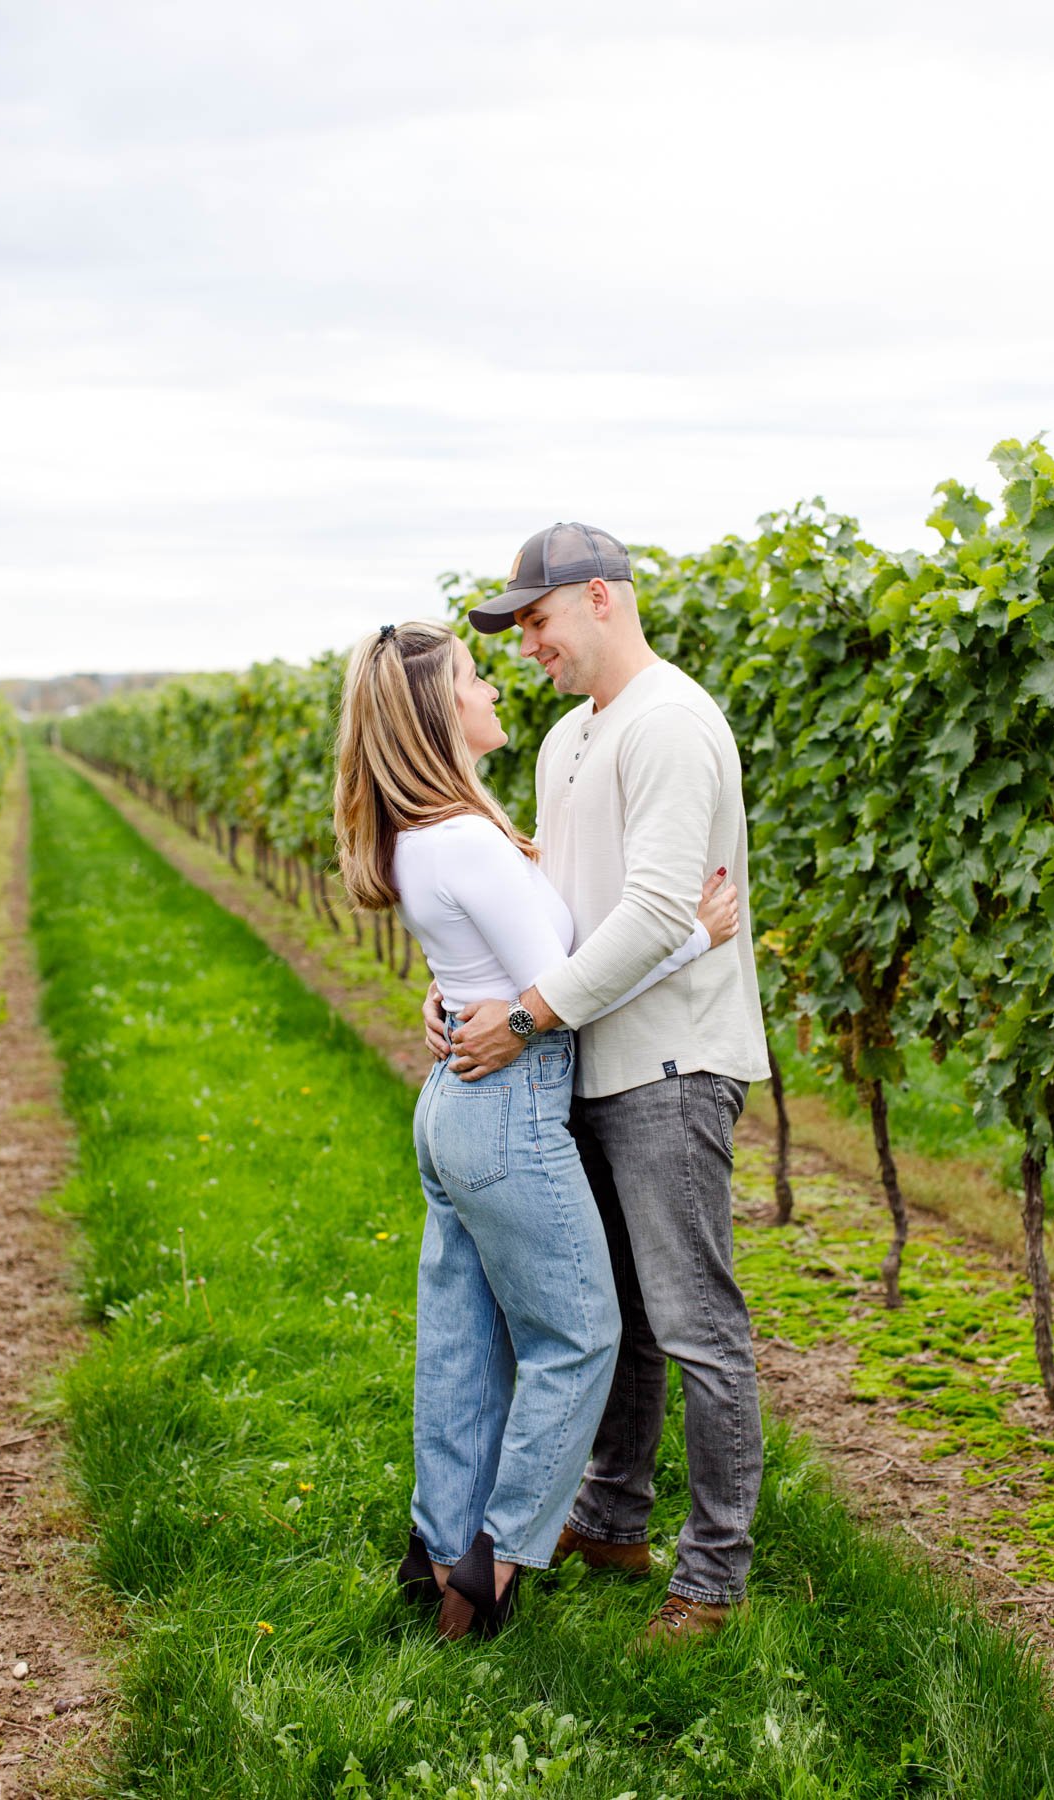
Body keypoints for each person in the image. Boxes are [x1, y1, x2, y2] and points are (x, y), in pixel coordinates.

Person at [333, 619, 738, 1641]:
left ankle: (436, 1554)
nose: (494, 685)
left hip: (457, 1110)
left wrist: (456, 995)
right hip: (506, 1111)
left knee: (465, 1347)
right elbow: (554, 991)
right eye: (473, 677)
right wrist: (693, 933)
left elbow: (491, 961)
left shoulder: (426, 832)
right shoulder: (463, 836)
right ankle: (499, 1562)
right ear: (440, 712)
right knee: (581, 1335)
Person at [425, 522, 770, 1646]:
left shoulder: (670, 723)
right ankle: (613, 1517)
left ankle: (713, 1576)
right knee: (615, 1318)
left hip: (669, 1060)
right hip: (590, 1056)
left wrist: (523, 1018)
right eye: (514, 628)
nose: (527, 644)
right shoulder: (572, 735)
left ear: (606, 598)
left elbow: (662, 911)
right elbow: (568, 912)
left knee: (694, 1323)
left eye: (538, 619)